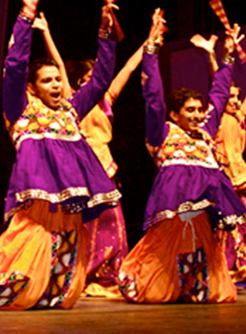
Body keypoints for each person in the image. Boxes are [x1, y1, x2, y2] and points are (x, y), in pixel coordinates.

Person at [0, 0, 121, 310]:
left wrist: (106, 31)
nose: (57, 85)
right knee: (12, 292)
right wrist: (26, 15)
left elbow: (101, 79)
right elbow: (14, 67)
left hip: (70, 213)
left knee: (59, 297)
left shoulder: (72, 111)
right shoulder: (21, 111)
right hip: (36, 215)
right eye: (47, 80)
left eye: (59, 79)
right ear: (33, 87)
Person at [118, 9, 246, 304]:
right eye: (190, 110)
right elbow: (152, 97)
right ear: (174, 114)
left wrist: (228, 56)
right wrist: (151, 50)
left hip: (204, 206)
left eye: (199, 110)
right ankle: (167, 284)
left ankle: (194, 287)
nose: (198, 115)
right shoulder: (162, 133)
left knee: (203, 257)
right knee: (164, 263)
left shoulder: (205, 131)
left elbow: (219, 92)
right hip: (174, 207)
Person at [45, 20, 143, 298]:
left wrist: (147, 42)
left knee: (113, 223)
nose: (96, 79)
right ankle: (82, 273)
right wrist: (46, 32)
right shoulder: (72, 102)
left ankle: (109, 276)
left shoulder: (107, 99)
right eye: (89, 75)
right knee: (86, 225)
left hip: (106, 169)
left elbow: (127, 69)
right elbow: (59, 67)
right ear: (80, 82)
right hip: (80, 172)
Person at [192, 35, 246, 283]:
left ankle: (243, 267)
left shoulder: (241, 116)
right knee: (224, 226)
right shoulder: (216, 117)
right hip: (222, 178)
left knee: (244, 224)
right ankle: (224, 268)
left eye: (235, 97)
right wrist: (212, 55)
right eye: (229, 97)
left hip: (241, 178)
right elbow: (217, 82)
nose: (232, 100)